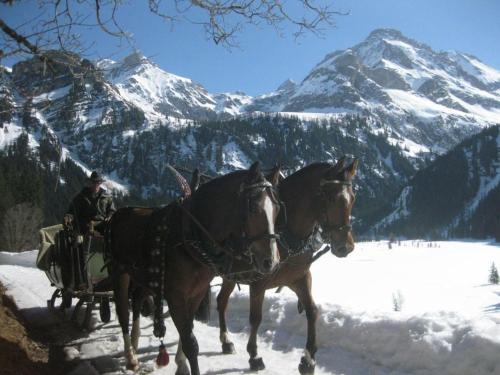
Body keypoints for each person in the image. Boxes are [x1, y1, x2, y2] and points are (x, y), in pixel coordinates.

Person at [65, 171, 116, 236]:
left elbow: (112, 211)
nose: (95, 184)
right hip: (85, 225)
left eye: (97, 182)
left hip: (102, 224)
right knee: (85, 234)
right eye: (93, 182)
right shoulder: (81, 197)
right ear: (90, 182)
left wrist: (109, 217)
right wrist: (68, 217)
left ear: (100, 183)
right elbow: (72, 211)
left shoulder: (107, 197)